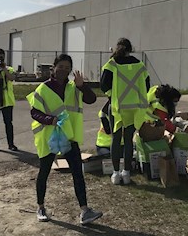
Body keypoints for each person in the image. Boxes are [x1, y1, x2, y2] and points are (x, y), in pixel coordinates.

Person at [27, 54, 102, 225]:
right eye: (61, 66)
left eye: (67, 67)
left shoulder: (73, 88)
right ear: (53, 68)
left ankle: (84, 211)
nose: (64, 70)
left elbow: (91, 99)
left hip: (69, 137)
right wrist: (50, 120)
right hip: (49, 137)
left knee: (77, 173)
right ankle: (41, 207)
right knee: (44, 172)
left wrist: (82, 86)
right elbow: (34, 112)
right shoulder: (43, 89)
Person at [101, 38, 150, 185]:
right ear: (131, 48)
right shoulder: (140, 65)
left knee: (116, 139)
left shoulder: (112, 63)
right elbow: (146, 85)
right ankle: (127, 173)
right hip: (134, 108)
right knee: (128, 140)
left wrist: (112, 96)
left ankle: (116, 174)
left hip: (117, 107)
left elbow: (103, 85)